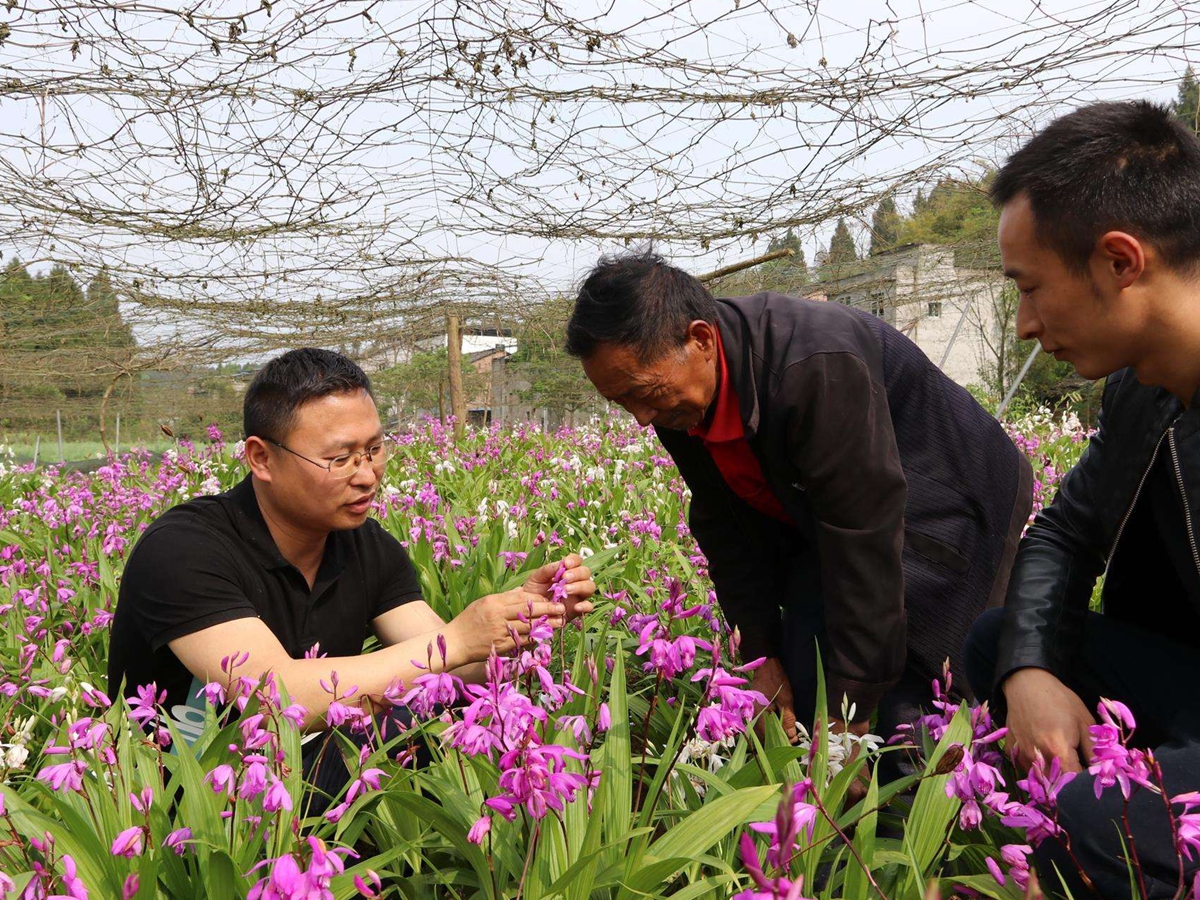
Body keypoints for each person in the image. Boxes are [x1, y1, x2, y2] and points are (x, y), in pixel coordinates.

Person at [564, 251, 1032, 760]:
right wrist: (759, 654)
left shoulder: (814, 366)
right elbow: (724, 525)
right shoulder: (679, 400)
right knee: (805, 683)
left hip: (947, 497)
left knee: (914, 714)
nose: (640, 417)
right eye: (621, 402)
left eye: (643, 393)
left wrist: (846, 724)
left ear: (700, 340)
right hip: (825, 515)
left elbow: (865, 544)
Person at [107, 348, 596, 802]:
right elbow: (275, 699)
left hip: (306, 773)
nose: (367, 475)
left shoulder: (365, 545)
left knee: (467, 715)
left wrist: (521, 624)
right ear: (261, 458)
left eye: (375, 449)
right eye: (340, 459)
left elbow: (452, 667)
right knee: (415, 727)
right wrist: (461, 639)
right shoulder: (183, 548)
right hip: (187, 797)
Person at [964, 100, 1200, 898]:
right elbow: (1064, 536)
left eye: (1029, 289)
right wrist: (1029, 668)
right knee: (994, 643)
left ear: (1120, 262)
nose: (1025, 324)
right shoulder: (1145, 393)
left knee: (1098, 824)